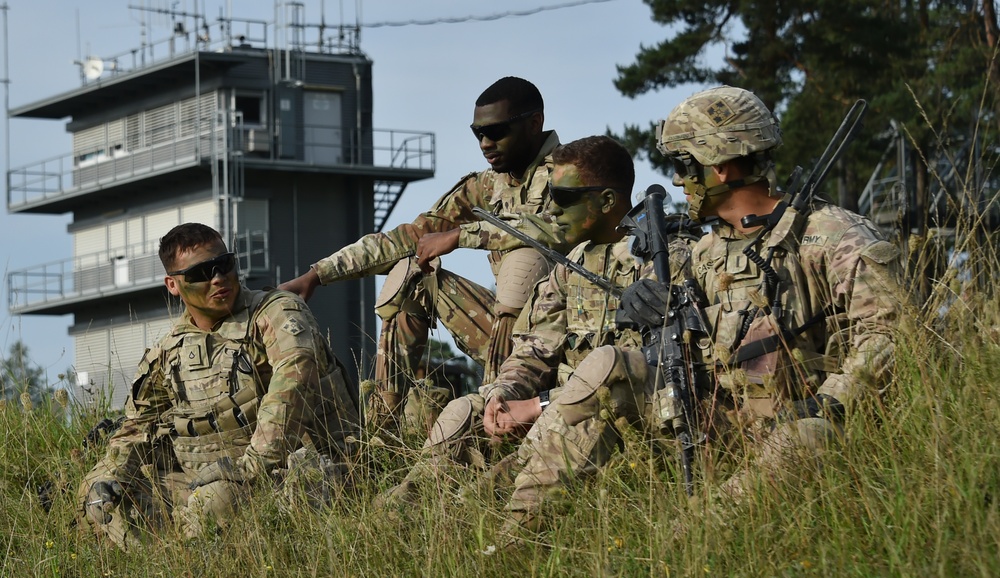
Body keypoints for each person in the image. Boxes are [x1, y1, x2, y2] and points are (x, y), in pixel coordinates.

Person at [493, 86, 908, 544]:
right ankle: (516, 536)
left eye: (683, 167)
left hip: (804, 425)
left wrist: (831, 402)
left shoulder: (831, 236)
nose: (676, 181)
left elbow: (891, 337)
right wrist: (641, 309)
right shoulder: (703, 252)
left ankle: (688, 542)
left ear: (720, 165)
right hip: (718, 422)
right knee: (608, 366)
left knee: (806, 439)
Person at [376, 135, 699, 506]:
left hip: (604, 419)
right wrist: (505, 395)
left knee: (480, 498)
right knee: (465, 410)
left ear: (607, 201)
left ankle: (469, 518)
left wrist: (538, 406)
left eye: (563, 199)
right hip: (549, 409)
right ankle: (406, 505)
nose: (554, 211)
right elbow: (534, 348)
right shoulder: (573, 265)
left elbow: (642, 376)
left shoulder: (662, 261)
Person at [279, 77, 565, 433]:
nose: (485, 144)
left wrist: (461, 235)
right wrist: (317, 275)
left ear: (534, 123)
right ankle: (381, 436)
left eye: (497, 131)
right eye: (478, 133)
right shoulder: (487, 185)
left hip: (564, 339)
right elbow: (413, 237)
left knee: (524, 263)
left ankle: (497, 417)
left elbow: (551, 229)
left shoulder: (572, 173)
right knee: (412, 273)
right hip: (505, 336)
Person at [78, 223, 360, 548]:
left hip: (295, 468)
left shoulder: (276, 311)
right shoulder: (168, 350)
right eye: (200, 272)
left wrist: (250, 466)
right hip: (203, 478)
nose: (218, 278)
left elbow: (294, 382)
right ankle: (163, 565)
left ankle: (195, 565)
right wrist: (108, 477)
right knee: (95, 493)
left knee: (216, 499)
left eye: (224, 264)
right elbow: (137, 426)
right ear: (173, 284)